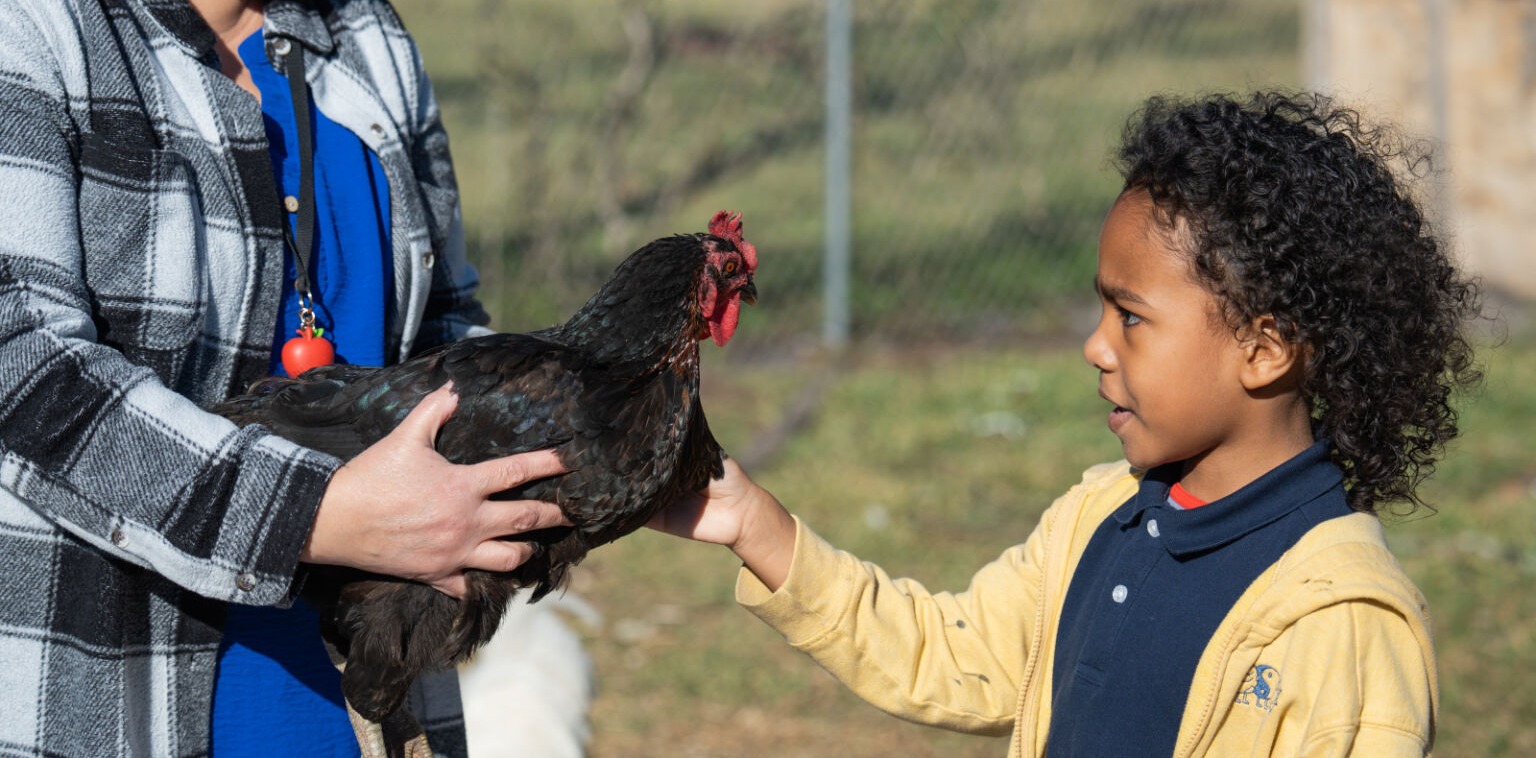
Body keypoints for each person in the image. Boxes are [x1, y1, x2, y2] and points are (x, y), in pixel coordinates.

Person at [652, 91, 1481, 756]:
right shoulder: (1098, 517)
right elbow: (956, 658)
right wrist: (757, 526)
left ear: (1264, 350)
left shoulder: (1344, 625)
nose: (1094, 345)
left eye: (1130, 317)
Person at [0, 0, 587, 755]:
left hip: (369, 696)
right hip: (113, 691)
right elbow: (26, 369)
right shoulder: (36, 27)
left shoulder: (368, 34)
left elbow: (445, 324)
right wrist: (319, 515)